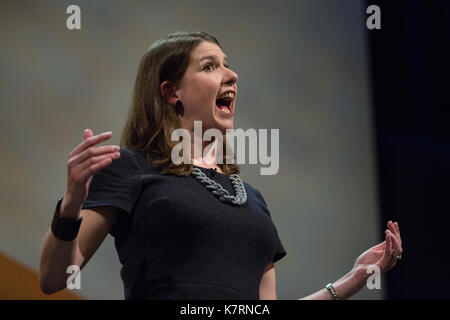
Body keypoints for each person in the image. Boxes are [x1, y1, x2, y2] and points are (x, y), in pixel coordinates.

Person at [39, 31, 403, 300]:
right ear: (171, 92)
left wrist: (352, 279)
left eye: (228, 65)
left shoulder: (253, 200)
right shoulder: (130, 167)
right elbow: (54, 278)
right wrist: (70, 207)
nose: (232, 76)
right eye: (210, 66)